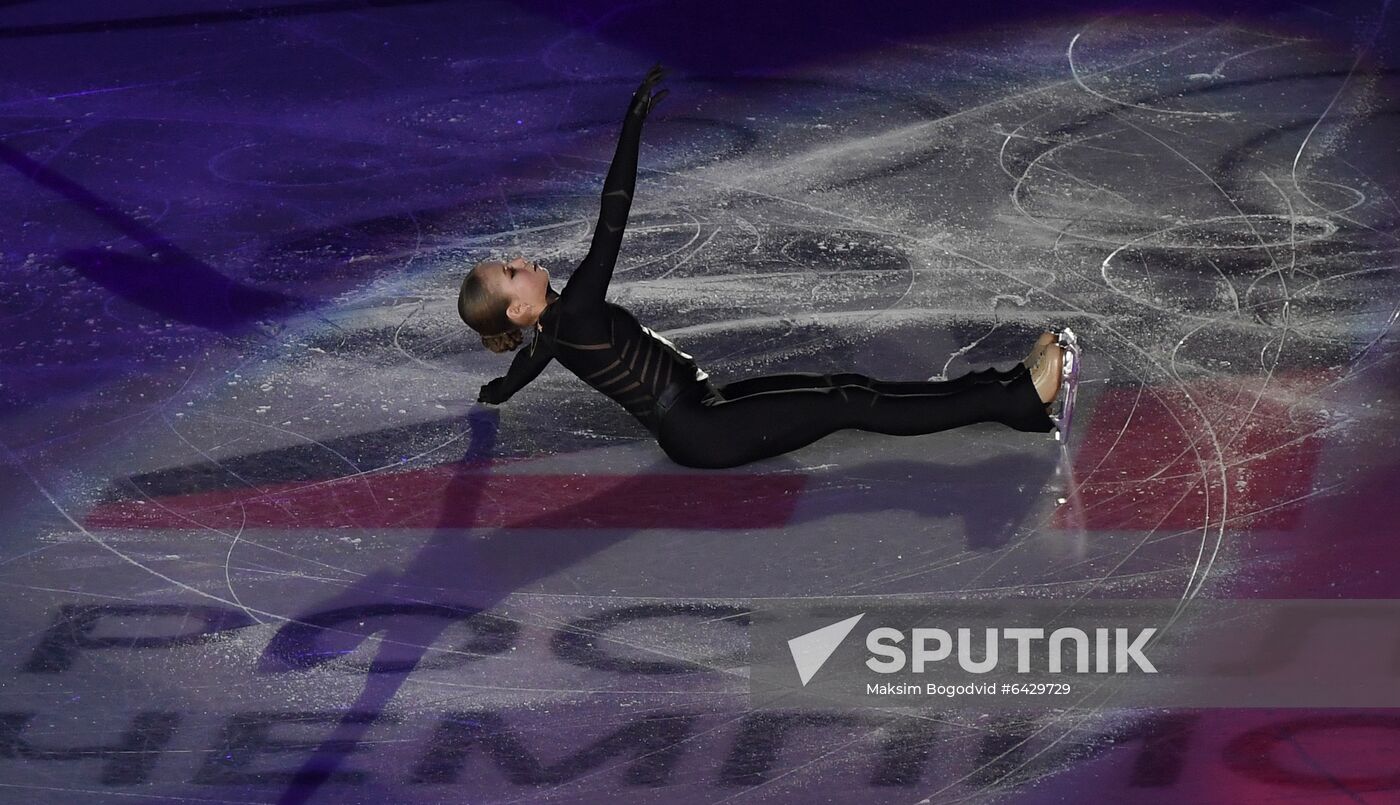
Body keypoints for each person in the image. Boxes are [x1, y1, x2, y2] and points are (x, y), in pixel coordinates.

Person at [457, 64, 1081, 469]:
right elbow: (612, 216)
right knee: (850, 400)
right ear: (519, 306)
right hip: (704, 428)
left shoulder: (553, 331)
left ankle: (1005, 389)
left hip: (704, 410)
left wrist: (497, 393)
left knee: (847, 388)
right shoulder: (577, 309)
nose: (520, 260)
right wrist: (632, 128)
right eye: (510, 271)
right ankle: (1017, 397)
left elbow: (526, 362)